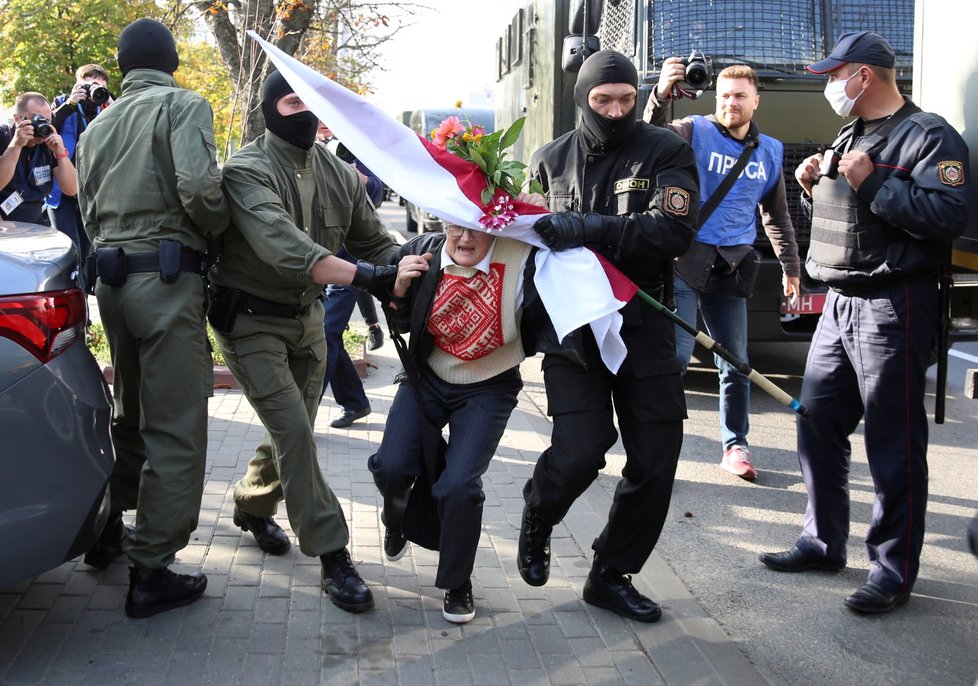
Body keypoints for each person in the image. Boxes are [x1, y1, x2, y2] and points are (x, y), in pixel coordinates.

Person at [759, 31, 970, 614]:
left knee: (893, 442)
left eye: (835, 75)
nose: (829, 85)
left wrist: (870, 180)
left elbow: (945, 217)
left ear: (866, 76)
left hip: (895, 304)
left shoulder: (927, 137)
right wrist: (812, 188)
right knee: (817, 421)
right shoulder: (853, 132)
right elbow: (849, 216)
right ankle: (823, 541)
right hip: (842, 300)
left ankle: (892, 570)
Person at [208, 71, 400, 614]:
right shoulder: (246, 170)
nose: (304, 113)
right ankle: (332, 552)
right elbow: (285, 246)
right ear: (271, 108)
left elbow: (376, 241)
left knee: (292, 427)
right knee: (294, 430)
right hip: (248, 322)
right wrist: (367, 278)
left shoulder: (341, 173)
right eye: (293, 102)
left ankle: (250, 505)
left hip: (306, 321)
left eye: (311, 102)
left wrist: (416, 265)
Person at [518, 49, 700, 622]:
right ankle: (538, 515)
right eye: (603, 100)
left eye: (625, 98)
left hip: (643, 323)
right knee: (580, 452)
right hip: (573, 333)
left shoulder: (666, 149)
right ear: (583, 99)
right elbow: (520, 244)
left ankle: (610, 573)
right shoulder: (549, 160)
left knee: (656, 457)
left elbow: (672, 232)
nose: (617, 110)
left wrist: (590, 228)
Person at [74, 18, 228, 618]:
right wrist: (217, 235)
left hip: (113, 287)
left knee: (128, 414)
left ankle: (108, 530)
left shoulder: (98, 124)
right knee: (177, 426)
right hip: (167, 281)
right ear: (172, 64)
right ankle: (152, 567)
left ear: (121, 67)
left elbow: (84, 207)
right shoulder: (184, 106)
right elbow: (199, 189)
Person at [368, 215, 543, 624]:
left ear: (495, 228)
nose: (464, 238)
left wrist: (543, 215)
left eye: (476, 228)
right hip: (426, 375)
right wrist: (397, 287)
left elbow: (566, 265)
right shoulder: (422, 251)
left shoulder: (523, 257)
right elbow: (398, 319)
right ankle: (398, 518)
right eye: (455, 227)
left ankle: (456, 581)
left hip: (490, 383)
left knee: (459, 485)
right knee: (391, 465)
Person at [644, 62, 801, 481]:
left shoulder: (770, 150)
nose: (731, 103)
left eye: (740, 96)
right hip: (686, 262)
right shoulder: (694, 130)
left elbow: (776, 214)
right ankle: (657, 447)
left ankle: (736, 447)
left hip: (732, 268)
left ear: (755, 101)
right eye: (725, 95)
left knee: (736, 362)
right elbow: (651, 137)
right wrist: (660, 94)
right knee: (676, 357)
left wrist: (790, 266)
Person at [48, 63, 113, 284]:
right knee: (70, 250)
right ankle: (73, 305)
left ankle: (83, 308)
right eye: (90, 82)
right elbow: (48, 127)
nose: (95, 88)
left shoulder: (106, 107)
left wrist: (112, 106)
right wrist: (71, 103)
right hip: (62, 193)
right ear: (78, 83)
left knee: (87, 253)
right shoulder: (62, 103)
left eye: (100, 83)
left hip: (92, 192)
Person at [0, 92, 76, 225]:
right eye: (36, 119)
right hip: (5, 226)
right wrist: (16, 145)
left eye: (47, 120)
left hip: (36, 224)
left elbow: (71, 189)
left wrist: (61, 153)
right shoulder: (3, 137)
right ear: (18, 119)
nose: (41, 125)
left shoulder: (46, 145)